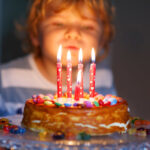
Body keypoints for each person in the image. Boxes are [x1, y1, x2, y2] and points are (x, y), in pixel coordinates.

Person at [0, 0, 116, 116]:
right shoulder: (6, 78)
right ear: (35, 34)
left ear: (102, 40)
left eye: (87, 27)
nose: (73, 33)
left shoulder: (102, 77)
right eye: (59, 24)